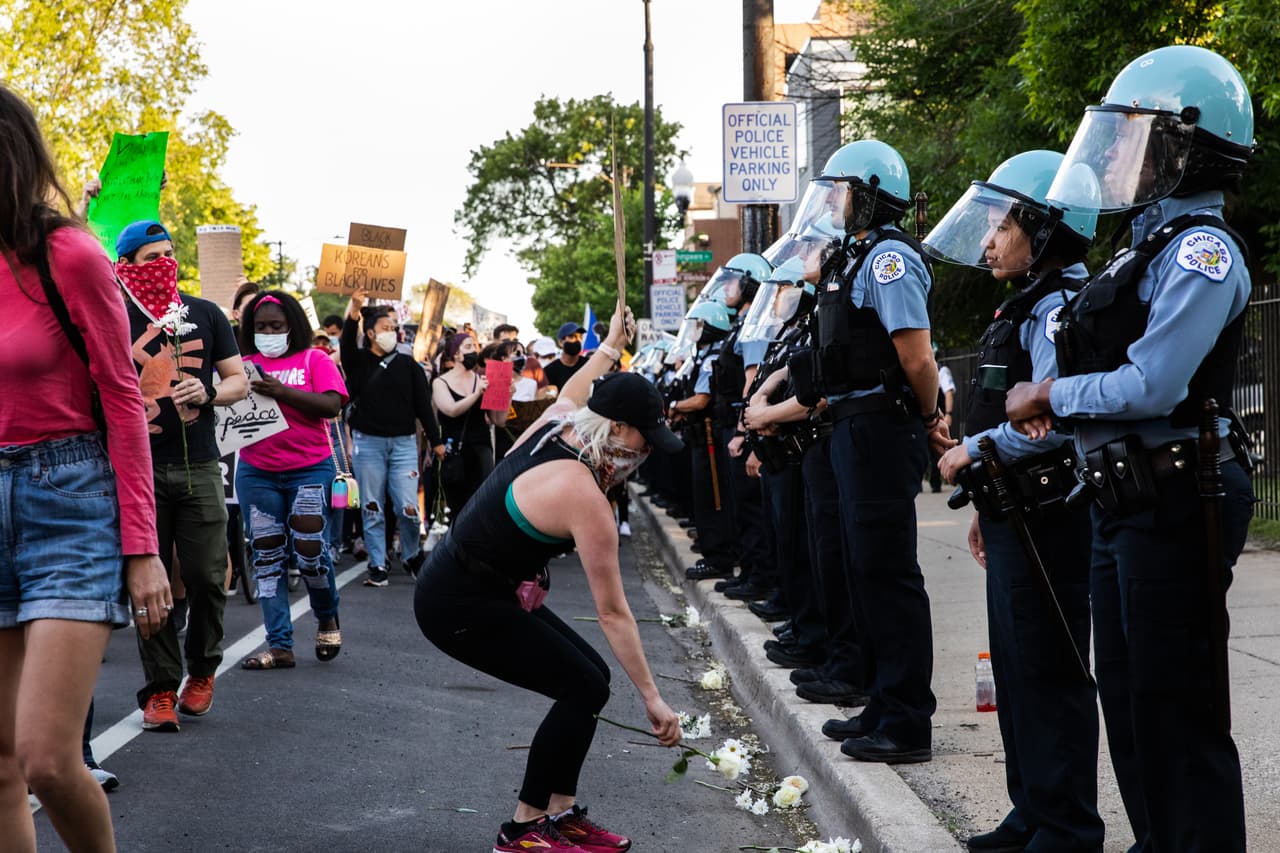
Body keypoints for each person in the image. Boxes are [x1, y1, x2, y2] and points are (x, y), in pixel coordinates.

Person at [1006, 45, 1256, 852]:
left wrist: (1050, 394)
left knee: (1177, 704)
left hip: (1180, 495)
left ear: (1186, 144)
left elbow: (1154, 384)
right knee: (1129, 693)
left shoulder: (1201, 253)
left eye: (1134, 136)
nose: (1117, 155)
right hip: (1126, 496)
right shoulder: (1144, 245)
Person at [414, 304, 683, 853]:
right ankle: (522, 828)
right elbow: (613, 612)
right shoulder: (586, 499)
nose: (647, 451)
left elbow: (582, 383)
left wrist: (610, 344)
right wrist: (654, 699)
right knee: (580, 683)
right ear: (618, 428)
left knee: (592, 679)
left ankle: (560, 812)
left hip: (486, 585)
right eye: (645, 438)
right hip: (456, 602)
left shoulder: (559, 420)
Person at [0, 83, 169, 850]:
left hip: (69, 502)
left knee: (45, 758)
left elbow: (124, 400)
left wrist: (142, 547)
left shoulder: (66, 253)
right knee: (0, 768)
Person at [926, 150, 1104, 852]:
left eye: (1003, 225)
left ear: (1045, 229)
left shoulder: (1057, 306)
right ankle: (1031, 810)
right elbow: (1022, 417)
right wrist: (984, 497)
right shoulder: (1024, 303)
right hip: (1011, 511)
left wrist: (974, 447)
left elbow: (1053, 419)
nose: (989, 240)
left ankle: (1066, 826)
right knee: (1017, 669)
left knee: (1051, 670)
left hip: (1051, 516)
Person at [804, 140, 951, 763]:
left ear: (868, 192)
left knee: (887, 572)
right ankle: (883, 701)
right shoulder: (853, 258)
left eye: (842, 190)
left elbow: (916, 357)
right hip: (849, 428)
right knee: (862, 569)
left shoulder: (889, 258)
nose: (834, 203)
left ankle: (909, 718)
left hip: (880, 429)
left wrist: (927, 417)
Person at [113, 219, 249, 731]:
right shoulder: (111, 314)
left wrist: (209, 392)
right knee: (150, 587)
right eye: (152, 258)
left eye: (170, 254)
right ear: (127, 265)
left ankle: (203, 671)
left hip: (199, 466)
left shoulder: (206, 314)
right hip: (137, 471)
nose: (164, 264)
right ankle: (161, 688)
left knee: (208, 577)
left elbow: (239, 379)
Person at [236, 291, 348, 670]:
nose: (268, 332)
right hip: (257, 472)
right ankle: (279, 644)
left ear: (292, 328)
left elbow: (333, 405)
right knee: (266, 556)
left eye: (276, 326)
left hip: (310, 469)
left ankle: (326, 614)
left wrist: (282, 392)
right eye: (261, 327)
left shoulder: (313, 359)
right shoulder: (241, 365)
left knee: (310, 550)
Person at [341, 293, 444, 587]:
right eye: (386, 327)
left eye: (394, 327)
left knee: (409, 508)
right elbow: (347, 342)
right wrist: (354, 310)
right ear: (371, 333)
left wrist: (436, 442)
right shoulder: (358, 361)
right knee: (372, 507)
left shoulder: (409, 366)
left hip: (403, 445)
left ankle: (411, 555)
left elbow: (424, 406)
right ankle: (377, 564)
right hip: (368, 444)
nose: (392, 332)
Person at [432, 331, 494, 514]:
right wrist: (477, 394)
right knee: (457, 504)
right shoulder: (440, 382)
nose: (473, 351)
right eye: (467, 347)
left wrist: (507, 395)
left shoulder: (482, 380)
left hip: (481, 450)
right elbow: (451, 410)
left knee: (482, 503)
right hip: (455, 453)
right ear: (456, 354)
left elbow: (497, 420)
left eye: (474, 346)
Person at [543, 321, 587, 390]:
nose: (578, 340)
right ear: (561, 342)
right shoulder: (549, 371)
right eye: (572, 337)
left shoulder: (588, 365)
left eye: (580, 337)